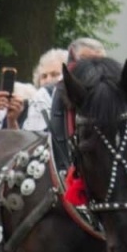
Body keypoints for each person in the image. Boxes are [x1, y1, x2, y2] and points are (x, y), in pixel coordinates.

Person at [48, 37, 108, 172]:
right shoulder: (45, 96)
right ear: (72, 61)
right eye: (87, 61)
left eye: (101, 62)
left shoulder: (111, 98)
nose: (95, 69)